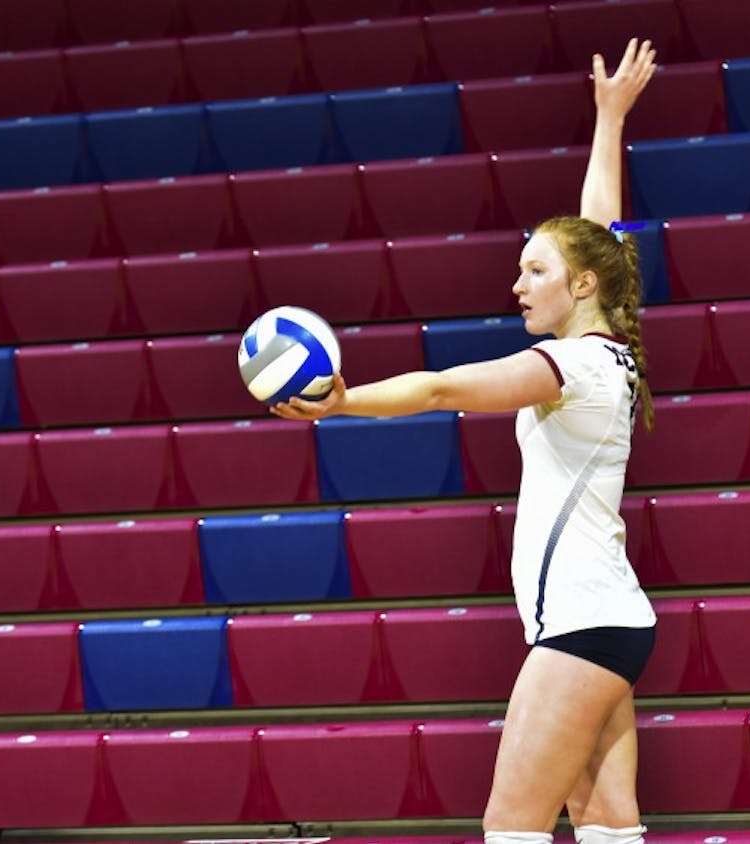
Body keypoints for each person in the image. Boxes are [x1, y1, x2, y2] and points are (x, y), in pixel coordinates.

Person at [272, 38, 660, 844]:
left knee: (511, 826)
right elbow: (603, 233)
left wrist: (341, 404)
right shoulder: (612, 341)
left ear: (578, 286)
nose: (517, 285)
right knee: (605, 819)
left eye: (533, 271)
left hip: (585, 623)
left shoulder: (572, 365)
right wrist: (608, 118)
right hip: (611, 616)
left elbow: (444, 388)